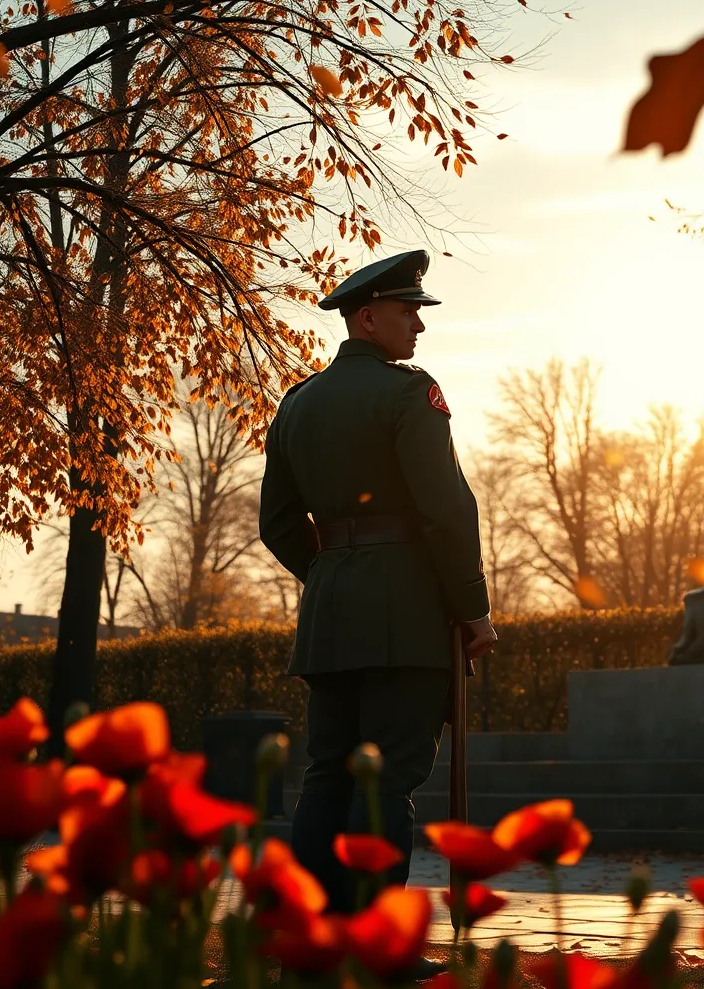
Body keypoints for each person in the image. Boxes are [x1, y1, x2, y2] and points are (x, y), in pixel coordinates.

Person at [259, 249, 497, 970]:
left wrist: (334, 576)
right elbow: (447, 511)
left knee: (329, 774)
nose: (418, 326)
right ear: (367, 318)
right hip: (407, 616)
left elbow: (276, 523)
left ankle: (306, 936)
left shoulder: (297, 403)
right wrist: (473, 609)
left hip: (331, 619)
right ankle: (376, 943)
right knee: (388, 778)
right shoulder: (408, 394)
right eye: (407, 311)